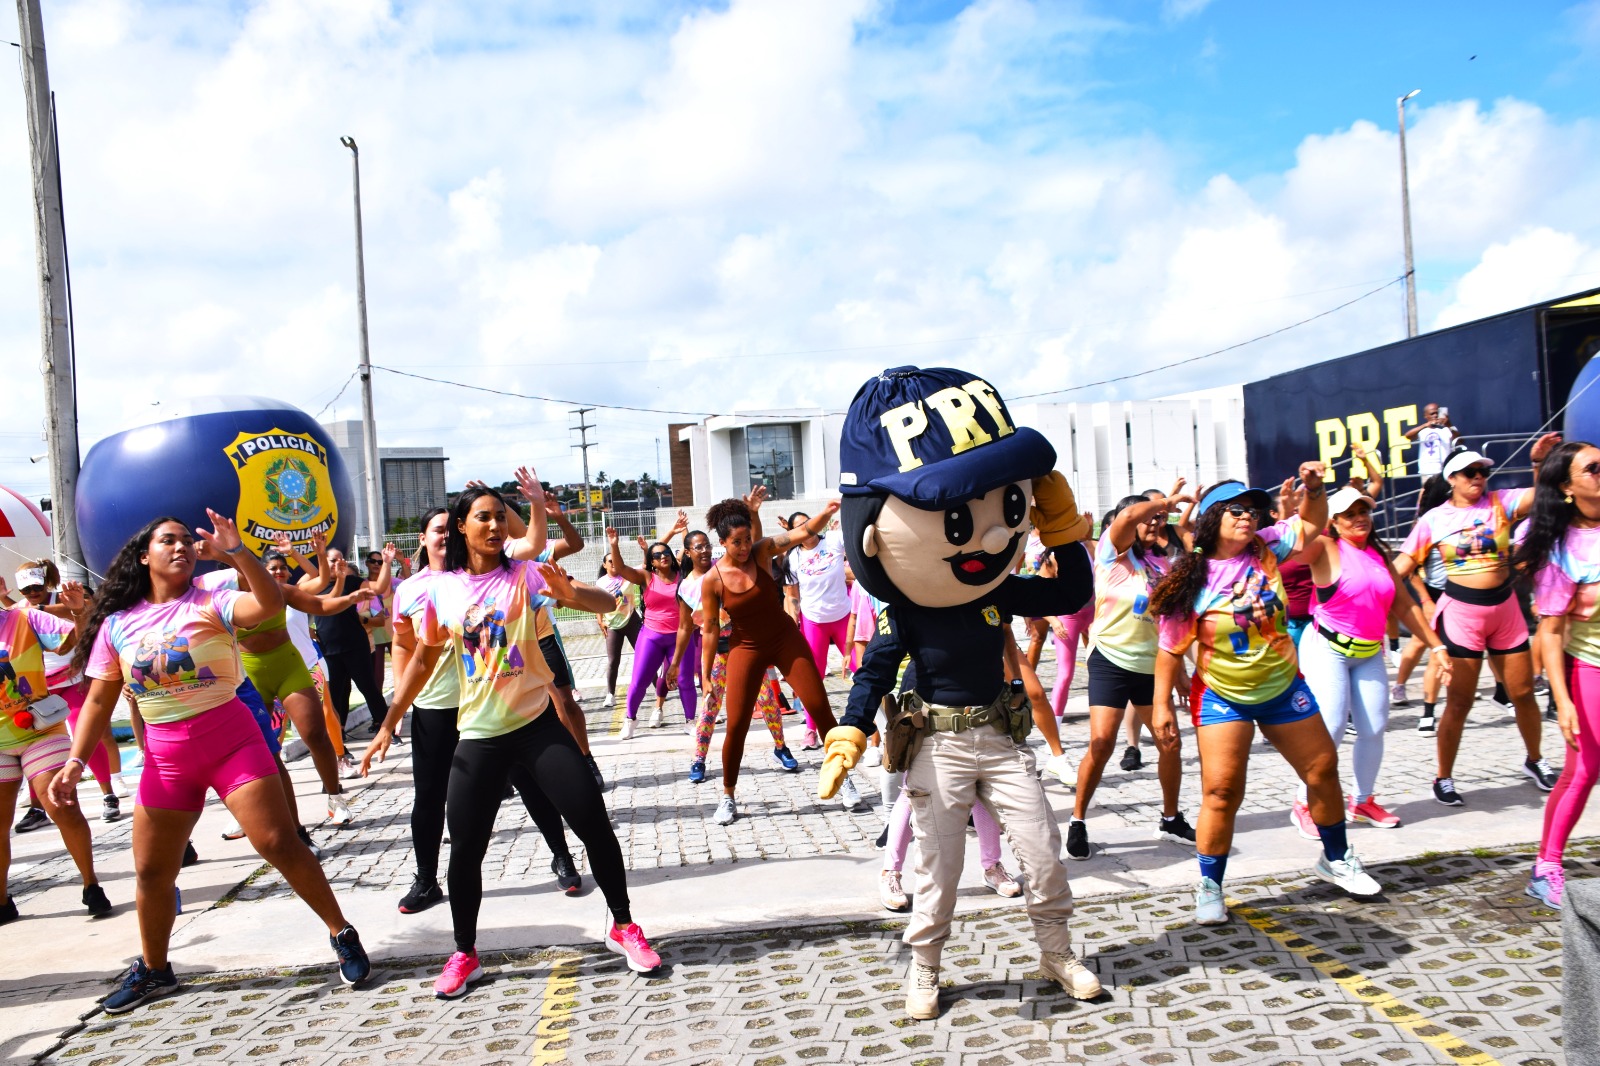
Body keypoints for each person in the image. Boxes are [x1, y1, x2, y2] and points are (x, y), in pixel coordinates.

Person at [821, 366, 1104, 1020]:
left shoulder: (995, 589)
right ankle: (925, 967)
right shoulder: (907, 608)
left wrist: (1064, 532)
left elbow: (1069, 593)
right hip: (938, 746)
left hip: (1000, 739)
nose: (989, 535)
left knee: (1043, 853)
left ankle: (1057, 953)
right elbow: (874, 670)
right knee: (938, 871)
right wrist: (850, 730)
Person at [52, 511, 369, 1013]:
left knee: (278, 843)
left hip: (231, 742)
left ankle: (342, 932)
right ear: (143, 556)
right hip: (165, 759)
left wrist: (237, 551)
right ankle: (155, 969)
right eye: (167, 540)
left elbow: (269, 603)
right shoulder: (116, 624)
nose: (180, 547)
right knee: (151, 871)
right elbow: (96, 700)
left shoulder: (214, 597)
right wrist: (75, 761)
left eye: (186, 540)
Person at [362, 487, 659, 997]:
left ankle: (623, 925)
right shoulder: (441, 590)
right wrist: (390, 722)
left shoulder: (526, 574)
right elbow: (424, 659)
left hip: (537, 727)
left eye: (501, 516)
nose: (496, 525)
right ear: (462, 526)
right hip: (479, 736)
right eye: (484, 517)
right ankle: (465, 953)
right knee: (466, 850)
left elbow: (608, 603)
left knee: (593, 822)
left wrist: (570, 594)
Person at [1149, 470, 1384, 927]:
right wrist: (1161, 707)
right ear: (1212, 518)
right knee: (1221, 792)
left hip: (1283, 687)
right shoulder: (1191, 578)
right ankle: (1210, 886)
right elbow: (1169, 650)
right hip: (1223, 696)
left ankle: (1337, 858)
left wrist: (1314, 490)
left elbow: (1311, 523)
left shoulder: (1265, 547)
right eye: (1236, 510)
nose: (1248, 517)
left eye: (1253, 511)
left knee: (1322, 770)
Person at [390, 506, 588, 916]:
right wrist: (397, 706)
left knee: (531, 784)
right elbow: (406, 647)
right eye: (438, 530)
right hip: (436, 706)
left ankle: (562, 856)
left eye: (451, 528)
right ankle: (426, 879)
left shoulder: (492, 576)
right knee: (429, 796)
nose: (446, 536)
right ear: (423, 539)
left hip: (492, 706)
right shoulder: (411, 590)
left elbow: (534, 558)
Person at [1393, 441, 1562, 805]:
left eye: (1483, 472)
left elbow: (1542, 496)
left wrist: (1539, 463)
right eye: (1470, 472)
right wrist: (1366, 589)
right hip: (1462, 614)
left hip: (1505, 610)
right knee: (1460, 702)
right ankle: (1443, 777)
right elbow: (1402, 566)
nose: (1479, 478)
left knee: (1522, 694)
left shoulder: (1500, 502)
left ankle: (1535, 760)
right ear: (1451, 478)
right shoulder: (1434, 519)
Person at [1291, 485, 1453, 835]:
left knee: (1374, 728)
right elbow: (1295, 547)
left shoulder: (1379, 554)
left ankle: (1362, 801)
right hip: (1327, 648)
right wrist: (1299, 510)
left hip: (1368, 652)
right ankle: (1304, 802)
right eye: (1349, 514)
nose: (1359, 518)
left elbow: (1405, 606)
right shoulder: (1326, 546)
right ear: (1334, 521)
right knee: (1331, 728)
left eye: (1363, 511)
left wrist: (1438, 647)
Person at [698, 494, 850, 825]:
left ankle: (844, 778)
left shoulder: (762, 551)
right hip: (745, 648)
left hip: (784, 639)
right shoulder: (713, 580)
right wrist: (705, 675)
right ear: (722, 543)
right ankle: (728, 795)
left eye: (746, 539)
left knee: (819, 706)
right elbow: (709, 629)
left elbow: (801, 532)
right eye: (736, 542)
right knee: (737, 724)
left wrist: (827, 512)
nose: (743, 547)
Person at [1067, 485, 1197, 861]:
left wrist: (1180, 671)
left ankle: (1170, 820)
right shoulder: (1112, 555)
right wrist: (1164, 502)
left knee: (1169, 742)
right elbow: (1125, 516)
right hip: (1110, 659)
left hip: (1151, 666)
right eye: (1149, 517)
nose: (1156, 522)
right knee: (1101, 743)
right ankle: (1078, 820)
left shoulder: (1164, 564)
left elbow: (1170, 624)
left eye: (1160, 518)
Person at [1516, 441, 1600, 908]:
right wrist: (1563, 701)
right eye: (1594, 468)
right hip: (1590, 667)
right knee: (1584, 769)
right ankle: (1547, 867)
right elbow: (1549, 633)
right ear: (1567, 487)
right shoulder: (1564, 547)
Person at [0, 582, 113, 925]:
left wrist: (79, 611)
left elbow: (74, 642)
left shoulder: (24, 618)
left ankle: (90, 884)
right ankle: (2, 900)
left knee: (61, 805)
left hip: (39, 730)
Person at [13, 561, 132, 819]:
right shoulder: (21, 610)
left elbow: (86, 618)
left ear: (46, 582)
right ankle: (37, 807)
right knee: (34, 744)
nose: (33, 593)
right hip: (41, 688)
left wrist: (67, 610)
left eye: (37, 587)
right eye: (26, 590)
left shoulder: (62, 600)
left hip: (73, 679)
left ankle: (108, 794)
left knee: (88, 734)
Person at [610, 516, 689, 738]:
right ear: (651, 561)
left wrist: (681, 530)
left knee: (684, 680)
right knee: (639, 681)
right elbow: (621, 567)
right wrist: (614, 545)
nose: (663, 556)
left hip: (679, 636)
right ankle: (630, 719)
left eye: (666, 553)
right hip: (652, 636)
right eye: (657, 556)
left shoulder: (683, 575)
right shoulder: (646, 577)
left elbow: (688, 550)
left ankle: (690, 721)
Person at [783, 510, 853, 747]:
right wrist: (793, 623)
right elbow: (792, 596)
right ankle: (811, 730)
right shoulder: (793, 558)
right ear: (794, 532)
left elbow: (856, 545)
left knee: (862, 669)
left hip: (844, 617)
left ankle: (875, 726)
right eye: (800, 526)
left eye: (809, 522)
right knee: (814, 677)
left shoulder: (833, 539)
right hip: (814, 621)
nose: (807, 528)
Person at [1390, 476, 1453, 723]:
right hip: (1433, 593)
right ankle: (1400, 686)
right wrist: (1426, 601)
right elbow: (1412, 570)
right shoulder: (1428, 523)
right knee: (1420, 642)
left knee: (1442, 647)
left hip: (1457, 595)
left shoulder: (1462, 519)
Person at [595, 553, 642, 704]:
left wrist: (644, 549)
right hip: (613, 625)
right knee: (613, 660)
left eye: (615, 560)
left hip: (632, 621)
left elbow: (645, 565)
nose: (613, 563)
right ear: (605, 565)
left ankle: (658, 688)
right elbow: (597, 602)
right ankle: (610, 694)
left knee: (644, 656)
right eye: (610, 561)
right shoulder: (601, 583)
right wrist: (600, 621)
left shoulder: (627, 575)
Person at [1404, 403, 1462, 479]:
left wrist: (1448, 424)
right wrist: (1425, 425)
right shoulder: (1423, 431)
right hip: (1427, 471)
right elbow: (1408, 436)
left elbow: (1460, 441)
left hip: (1445, 470)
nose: (1435, 415)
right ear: (1426, 416)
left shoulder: (1447, 429)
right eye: (1432, 414)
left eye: (1437, 413)